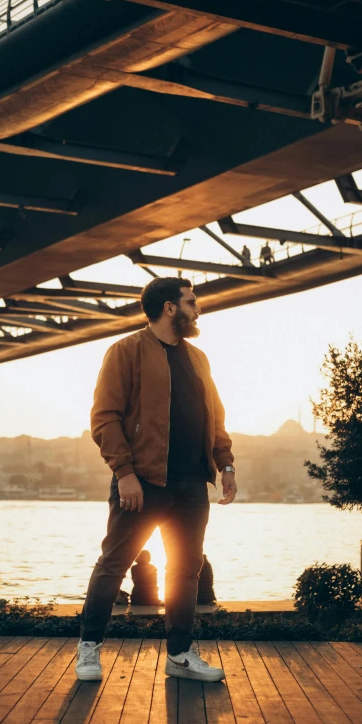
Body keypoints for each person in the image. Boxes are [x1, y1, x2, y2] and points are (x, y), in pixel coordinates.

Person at [76, 276, 237, 683]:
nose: (197, 308)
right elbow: (104, 417)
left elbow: (215, 417)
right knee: (114, 564)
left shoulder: (198, 358)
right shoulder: (126, 351)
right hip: (142, 482)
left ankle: (180, 655)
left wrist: (226, 465)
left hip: (191, 484)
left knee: (185, 571)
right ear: (169, 307)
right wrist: (125, 473)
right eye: (191, 301)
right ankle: (89, 649)